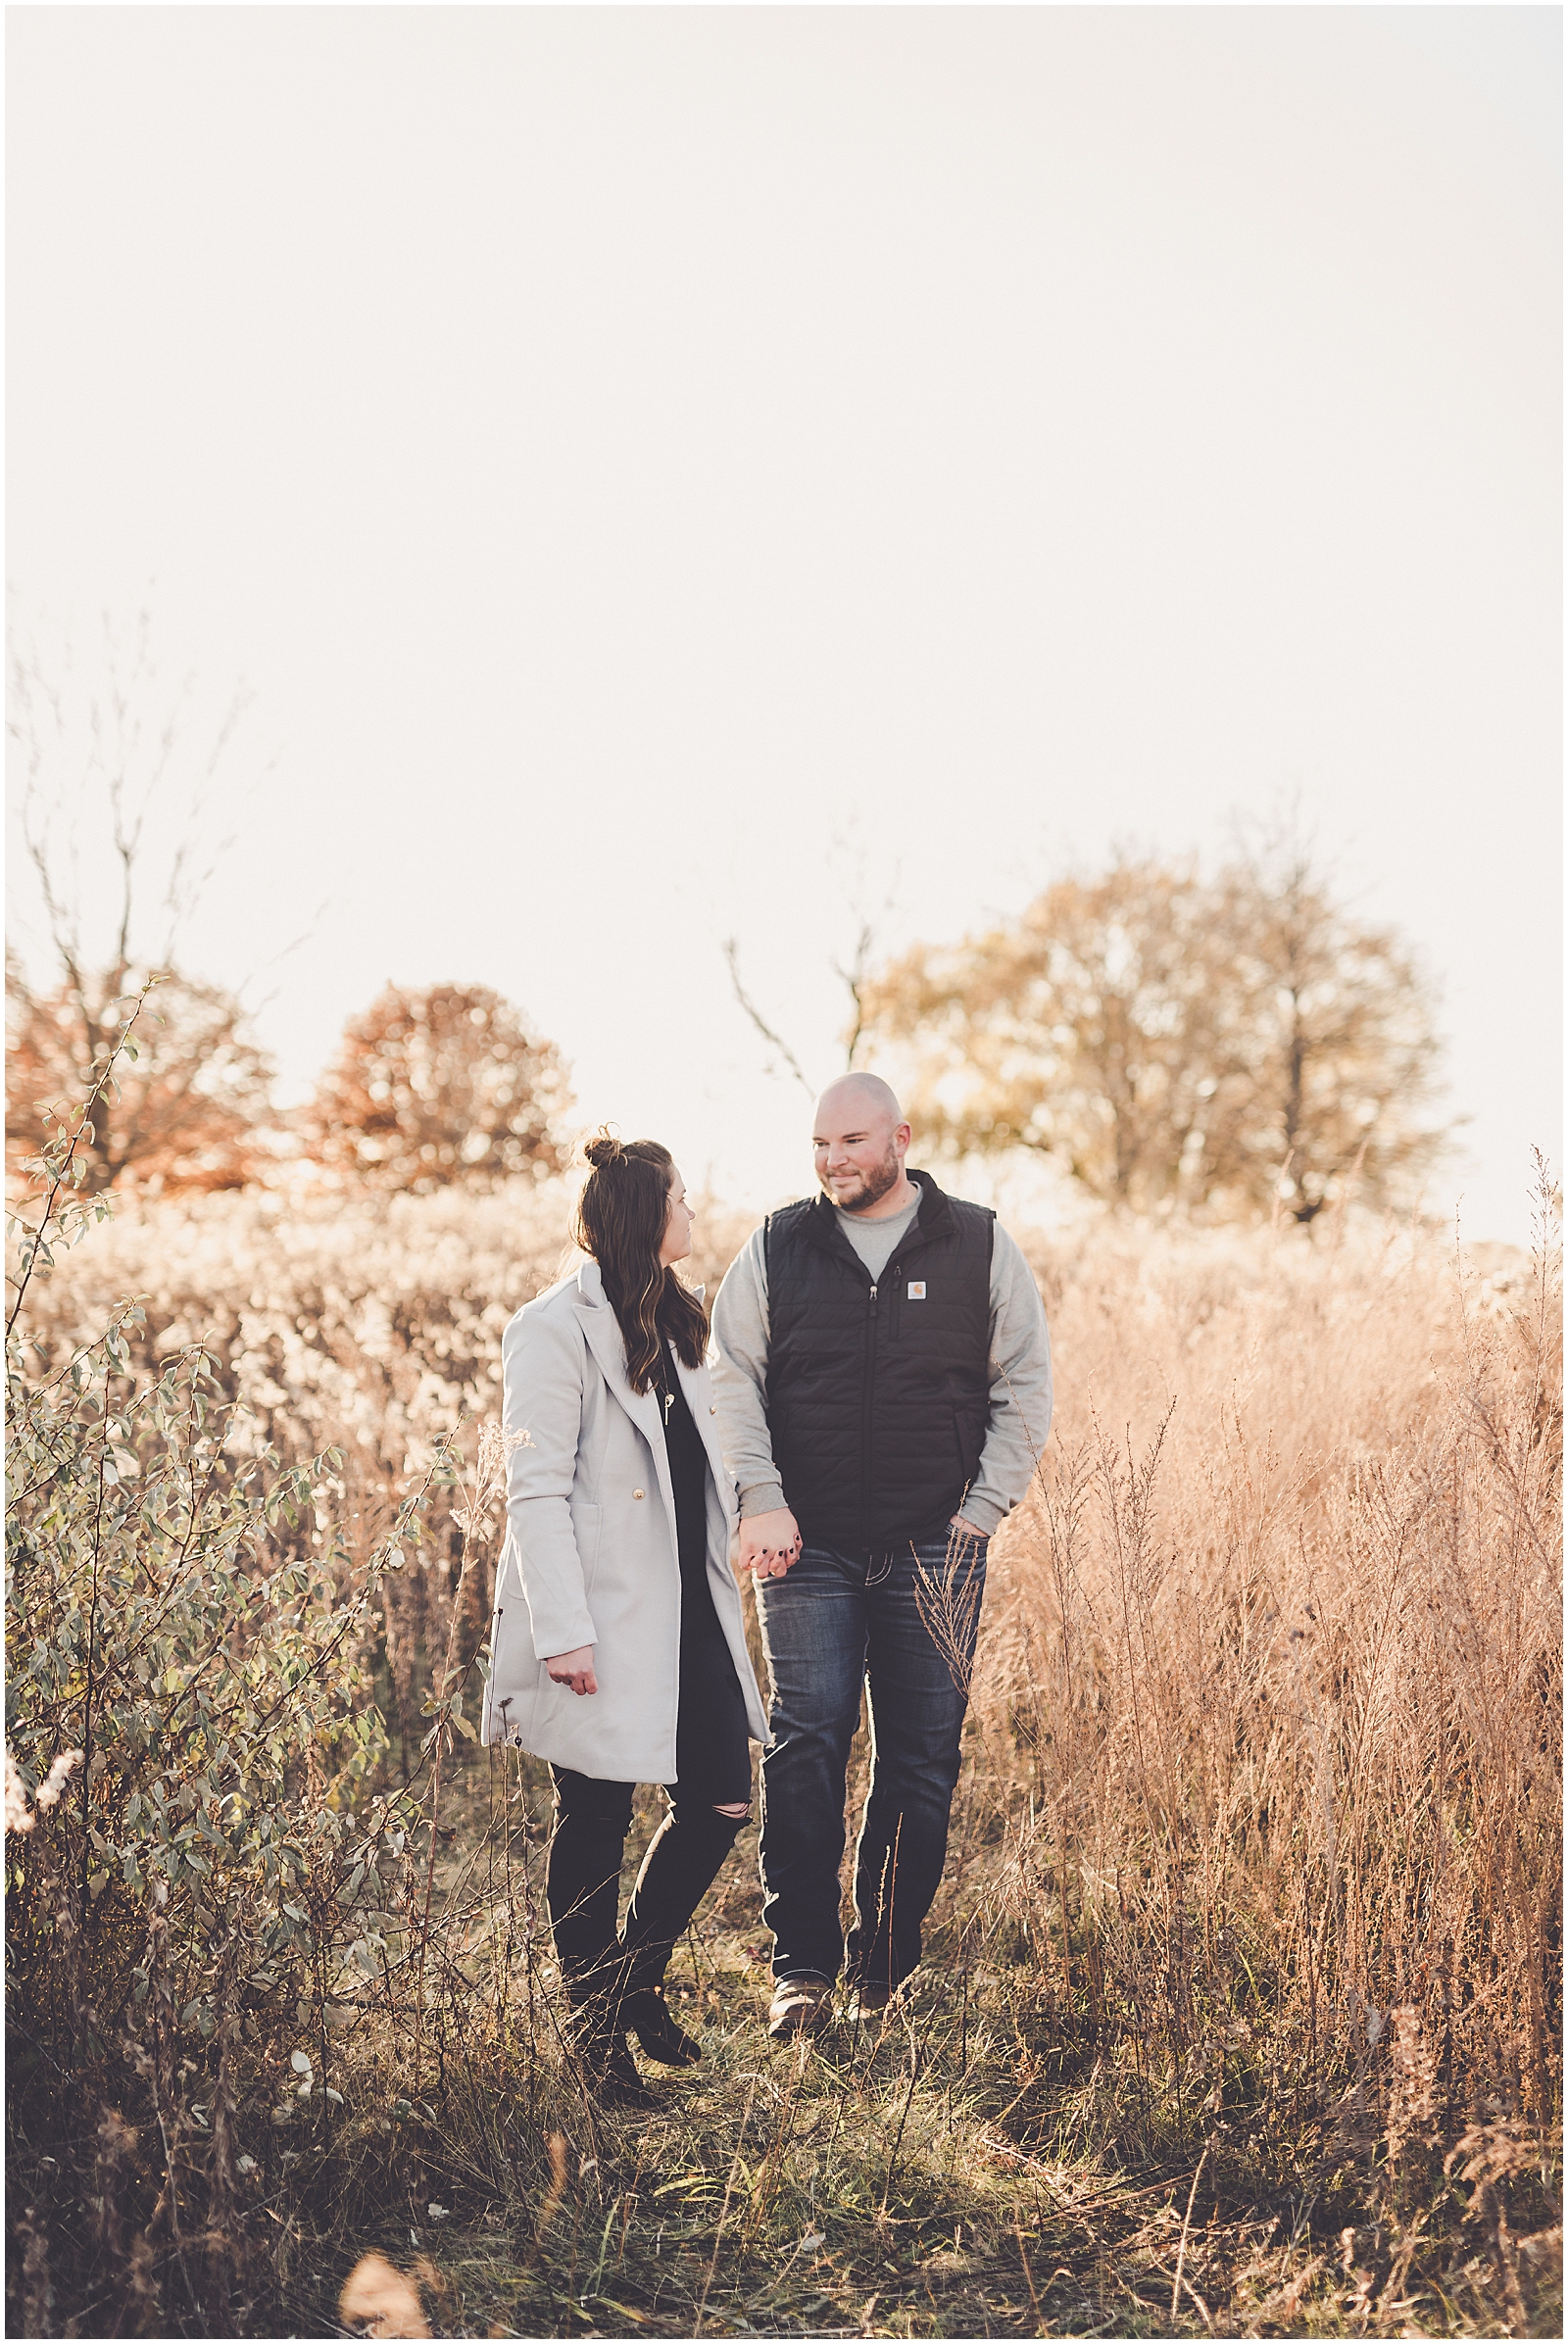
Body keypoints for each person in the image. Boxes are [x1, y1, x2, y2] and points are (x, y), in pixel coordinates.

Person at [710, 1073, 1053, 2039]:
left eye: (852, 1141)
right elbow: (729, 1373)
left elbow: (1025, 1377)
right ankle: (803, 1972)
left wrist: (983, 1509)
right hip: (804, 1547)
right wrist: (762, 1498)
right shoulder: (780, 1242)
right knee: (806, 1744)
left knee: (920, 1762)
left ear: (899, 1137)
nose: (832, 1161)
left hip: (935, 1548)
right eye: (820, 1144)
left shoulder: (976, 1241)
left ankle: (882, 1975)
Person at [482, 1134, 770, 2105]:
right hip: (597, 1615)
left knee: (723, 1798)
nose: (694, 1212)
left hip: (689, 1607)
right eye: (681, 1197)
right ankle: (596, 2037)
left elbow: (718, 1450)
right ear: (647, 1215)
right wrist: (563, 1629)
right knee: (596, 1816)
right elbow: (534, 1492)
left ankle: (636, 1982)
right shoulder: (548, 1328)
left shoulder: (681, 1319)